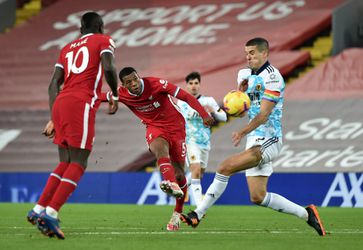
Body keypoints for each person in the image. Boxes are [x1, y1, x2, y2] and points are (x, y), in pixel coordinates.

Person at [180, 37, 326, 236]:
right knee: (258, 196)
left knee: (224, 167)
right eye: (246, 53)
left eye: (252, 53)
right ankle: (307, 214)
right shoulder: (243, 74)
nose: (248, 57)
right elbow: (243, 109)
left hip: (269, 138)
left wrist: (242, 131)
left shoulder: (273, 77)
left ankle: (198, 213)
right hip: (253, 138)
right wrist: (237, 103)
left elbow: (264, 114)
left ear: (265, 53)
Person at [26, 12, 119, 240]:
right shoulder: (103, 40)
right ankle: (51, 212)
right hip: (80, 104)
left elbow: (52, 85)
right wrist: (115, 93)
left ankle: (38, 210)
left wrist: (52, 117)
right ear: (100, 26)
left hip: (61, 103)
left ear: (80, 29)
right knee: (79, 162)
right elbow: (108, 67)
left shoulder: (66, 48)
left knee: (65, 161)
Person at [101, 67, 214, 231]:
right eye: (128, 82)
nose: (133, 84)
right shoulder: (120, 94)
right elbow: (95, 97)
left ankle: (177, 212)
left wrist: (203, 114)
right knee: (159, 149)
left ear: (138, 76)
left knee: (180, 174)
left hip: (177, 128)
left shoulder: (156, 84)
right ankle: (171, 183)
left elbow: (186, 96)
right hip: (154, 127)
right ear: (124, 85)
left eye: (135, 79)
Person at [177, 72, 227, 206]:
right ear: (187, 85)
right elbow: (189, 115)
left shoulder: (208, 100)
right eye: (191, 83)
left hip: (205, 142)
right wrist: (204, 112)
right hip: (190, 141)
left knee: (199, 174)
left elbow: (224, 117)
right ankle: (199, 206)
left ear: (200, 85)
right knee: (196, 170)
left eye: (196, 83)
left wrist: (214, 111)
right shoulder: (182, 102)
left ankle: (177, 187)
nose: (194, 86)